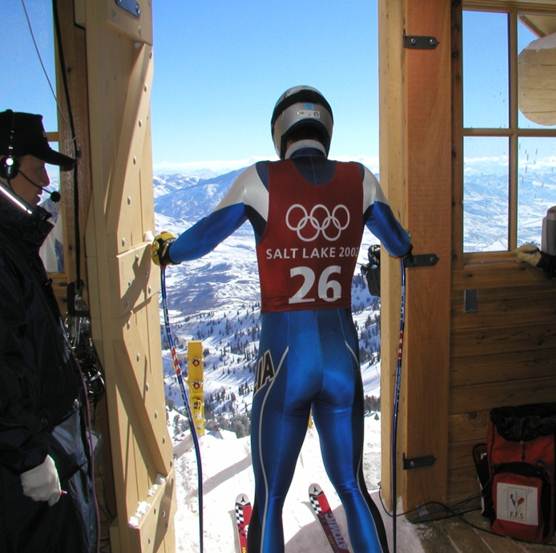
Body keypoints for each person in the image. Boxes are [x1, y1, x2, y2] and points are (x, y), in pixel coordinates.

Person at [152, 86, 412, 553]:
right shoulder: (361, 178)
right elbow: (399, 243)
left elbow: (200, 241)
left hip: (285, 359)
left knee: (271, 497)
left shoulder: (260, 178)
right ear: (326, 130)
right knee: (352, 487)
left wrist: (165, 249)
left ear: (280, 131)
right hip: (342, 355)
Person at [0, 110, 98, 552]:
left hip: (52, 441)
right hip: (35, 455)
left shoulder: (15, 246)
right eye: (37, 165)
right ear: (6, 167)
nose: (45, 181)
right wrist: (27, 454)